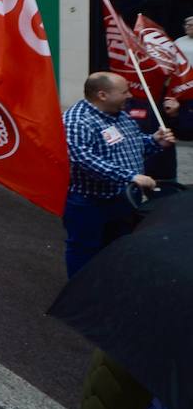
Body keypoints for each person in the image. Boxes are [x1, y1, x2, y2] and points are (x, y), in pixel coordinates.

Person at [61, 72, 175, 277]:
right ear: (102, 95)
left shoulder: (120, 114)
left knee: (116, 249)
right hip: (90, 203)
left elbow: (133, 147)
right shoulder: (77, 121)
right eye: (124, 92)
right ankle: (81, 297)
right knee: (84, 251)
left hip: (121, 200)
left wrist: (155, 141)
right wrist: (129, 176)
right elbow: (84, 160)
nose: (130, 95)